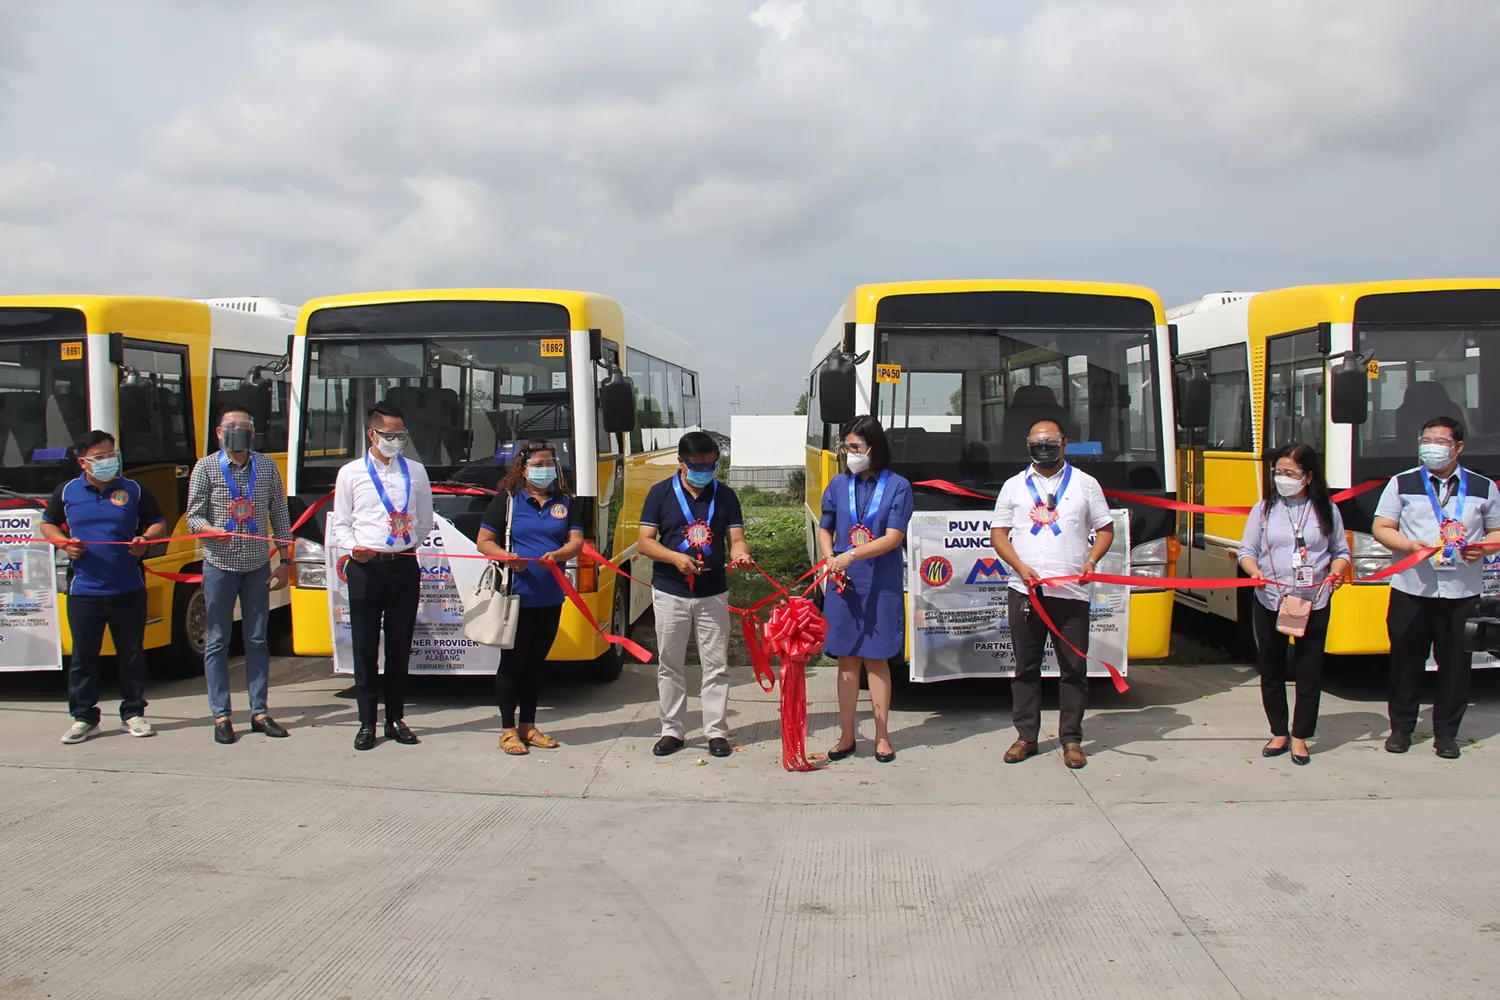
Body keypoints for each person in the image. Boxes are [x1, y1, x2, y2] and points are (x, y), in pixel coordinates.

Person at [1372, 416, 1500, 759]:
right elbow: (1382, 526)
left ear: (1458, 447)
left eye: (1440, 442)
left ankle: (1446, 733)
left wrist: (1484, 548)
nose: (1431, 447)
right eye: (1426, 440)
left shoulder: (1483, 487)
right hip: (1413, 588)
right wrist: (1410, 546)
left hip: (1462, 590)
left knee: (1457, 664)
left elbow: (1496, 532)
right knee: (1405, 661)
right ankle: (1401, 729)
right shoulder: (1402, 483)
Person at [988, 418, 1113, 769]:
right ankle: (1026, 736)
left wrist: (1091, 560)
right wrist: (1019, 566)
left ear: (1064, 444)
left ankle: (1072, 739)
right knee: (1025, 668)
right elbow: (999, 534)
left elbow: (1105, 529)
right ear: (1028, 445)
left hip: (1071, 591)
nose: (1043, 447)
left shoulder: (1086, 485)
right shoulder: (1014, 486)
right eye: (1037, 442)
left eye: (1050, 442)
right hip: (1025, 590)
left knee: (1073, 669)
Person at [39, 430, 169, 743]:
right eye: (100, 457)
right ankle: (84, 718)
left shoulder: (134, 490)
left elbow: (158, 522)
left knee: (132, 654)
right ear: (84, 462)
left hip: (127, 587)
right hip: (84, 591)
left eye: (112, 454)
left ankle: (133, 712)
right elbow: (47, 522)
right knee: (84, 657)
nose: (109, 461)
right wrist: (63, 544)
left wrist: (145, 540)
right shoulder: (67, 492)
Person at [326, 402, 434, 751]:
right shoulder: (351, 473)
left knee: (400, 645)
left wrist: (406, 544)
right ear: (372, 434)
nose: (396, 441)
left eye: (400, 435)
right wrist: (354, 547)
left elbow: (423, 520)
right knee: (364, 645)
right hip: (365, 567)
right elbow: (341, 523)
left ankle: (396, 719)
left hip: (403, 565)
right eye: (389, 435)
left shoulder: (415, 471)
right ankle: (366, 721)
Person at [638, 431, 752, 758]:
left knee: (716, 665)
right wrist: (675, 558)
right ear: (681, 463)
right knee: (670, 663)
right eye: (696, 465)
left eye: (711, 465)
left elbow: (737, 538)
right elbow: (646, 541)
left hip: (712, 592)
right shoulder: (660, 494)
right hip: (670, 590)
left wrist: (742, 555)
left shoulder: (726, 496)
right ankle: (672, 730)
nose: (704, 470)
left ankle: (716, 732)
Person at [186, 407, 294, 745]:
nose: (237, 431)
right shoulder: (205, 467)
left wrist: (287, 559)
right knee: (217, 641)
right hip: (219, 564)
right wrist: (208, 530)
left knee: (257, 640)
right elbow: (192, 516)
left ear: (253, 430)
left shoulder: (266, 466)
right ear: (219, 432)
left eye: (243, 426)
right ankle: (221, 715)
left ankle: (259, 711)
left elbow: (280, 512)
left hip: (257, 565)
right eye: (231, 427)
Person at [1237, 443, 1351, 765]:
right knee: (1271, 668)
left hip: (1313, 600)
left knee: (1309, 670)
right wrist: (1254, 571)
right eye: (1278, 472)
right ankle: (1279, 731)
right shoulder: (1263, 510)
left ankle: (1301, 735)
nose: (1282, 478)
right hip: (1271, 599)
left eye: (1290, 473)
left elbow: (1340, 553)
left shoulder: (1327, 510)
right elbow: (1247, 550)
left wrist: (1336, 574)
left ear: (1308, 477)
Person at [476, 439, 585, 755]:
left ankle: (529, 725)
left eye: (549, 463)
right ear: (522, 468)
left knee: (537, 664)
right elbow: (484, 541)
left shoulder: (565, 501)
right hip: (515, 597)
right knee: (512, 663)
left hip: (550, 596)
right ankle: (508, 729)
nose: (544, 470)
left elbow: (576, 542)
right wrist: (507, 557)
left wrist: (560, 553)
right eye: (537, 465)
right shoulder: (507, 501)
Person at [818, 417, 913, 763]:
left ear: (874, 449)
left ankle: (882, 735)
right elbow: (825, 527)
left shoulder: (898, 487)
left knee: (877, 660)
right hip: (844, 585)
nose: (850, 454)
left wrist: (850, 555)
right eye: (847, 447)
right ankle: (846, 735)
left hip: (881, 583)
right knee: (847, 661)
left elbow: (893, 538)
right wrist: (830, 557)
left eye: (856, 447)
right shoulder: (838, 485)